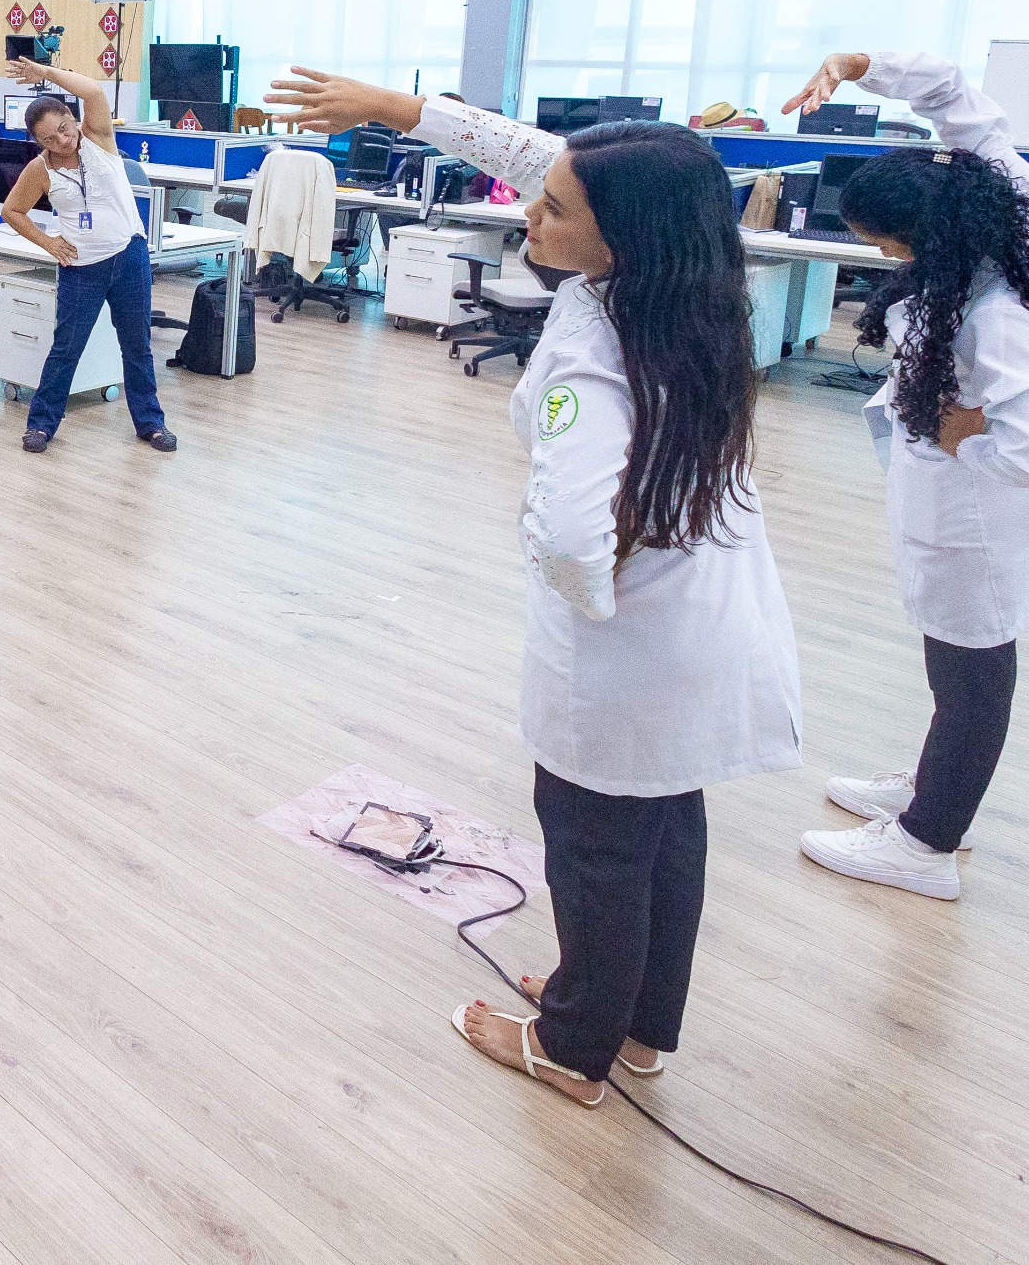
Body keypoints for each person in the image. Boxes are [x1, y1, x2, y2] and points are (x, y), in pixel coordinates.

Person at [270, 66, 798, 1108]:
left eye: (553, 213)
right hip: (709, 619)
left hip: (630, 649)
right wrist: (395, 108)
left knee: (596, 846)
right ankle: (634, 1025)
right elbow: (538, 159)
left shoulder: (594, 357)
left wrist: (584, 613)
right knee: (663, 836)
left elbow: (565, 533)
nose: (527, 214)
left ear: (621, 239)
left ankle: (570, 1044)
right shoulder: (689, 295)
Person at [787, 53, 1029, 901]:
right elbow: (965, 107)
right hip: (966, 519)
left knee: (970, 676)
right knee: (957, 667)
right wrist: (860, 66)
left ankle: (926, 842)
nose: (878, 254)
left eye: (883, 243)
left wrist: (961, 439)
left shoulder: (993, 320)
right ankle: (935, 789)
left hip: (976, 524)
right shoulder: (1020, 222)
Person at [0, 58, 175, 455]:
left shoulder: (97, 137)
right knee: (66, 348)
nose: (61, 141)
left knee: (137, 345)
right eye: (48, 139)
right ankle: (41, 425)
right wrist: (49, 243)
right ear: (38, 143)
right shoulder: (40, 170)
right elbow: (12, 210)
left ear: (72, 117)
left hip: (128, 256)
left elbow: (93, 91)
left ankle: (151, 423)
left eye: (63, 129)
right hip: (81, 268)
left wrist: (46, 73)